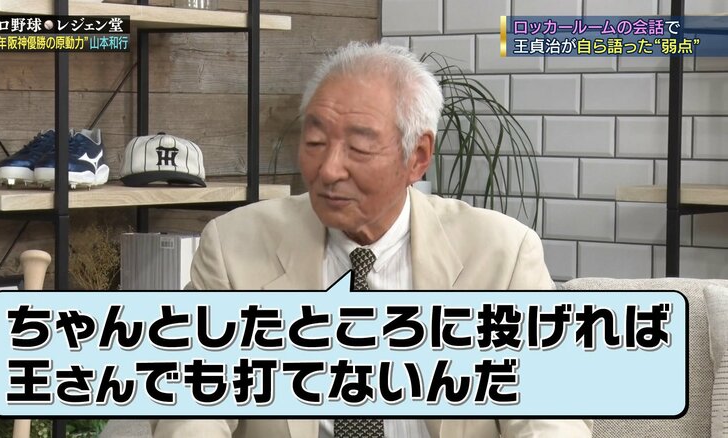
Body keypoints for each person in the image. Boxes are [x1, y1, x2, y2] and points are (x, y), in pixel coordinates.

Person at [152, 41, 592, 437]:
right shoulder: (233, 245)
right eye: (315, 141)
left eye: (359, 149)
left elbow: (551, 418)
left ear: (417, 157)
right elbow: (189, 407)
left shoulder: (503, 255)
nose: (329, 170)